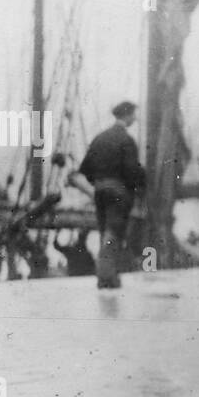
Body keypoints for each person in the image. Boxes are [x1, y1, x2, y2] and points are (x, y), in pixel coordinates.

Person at [68, 101, 145, 289]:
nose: (135, 118)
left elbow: (85, 169)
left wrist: (99, 182)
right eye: (133, 114)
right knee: (114, 232)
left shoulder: (99, 138)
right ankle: (106, 276)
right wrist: (140, 185)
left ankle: (107, 274)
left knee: (104, 232)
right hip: (118, 192)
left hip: (100, 191)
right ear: (126, 116)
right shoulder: (126, 140)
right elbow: (131, 171)